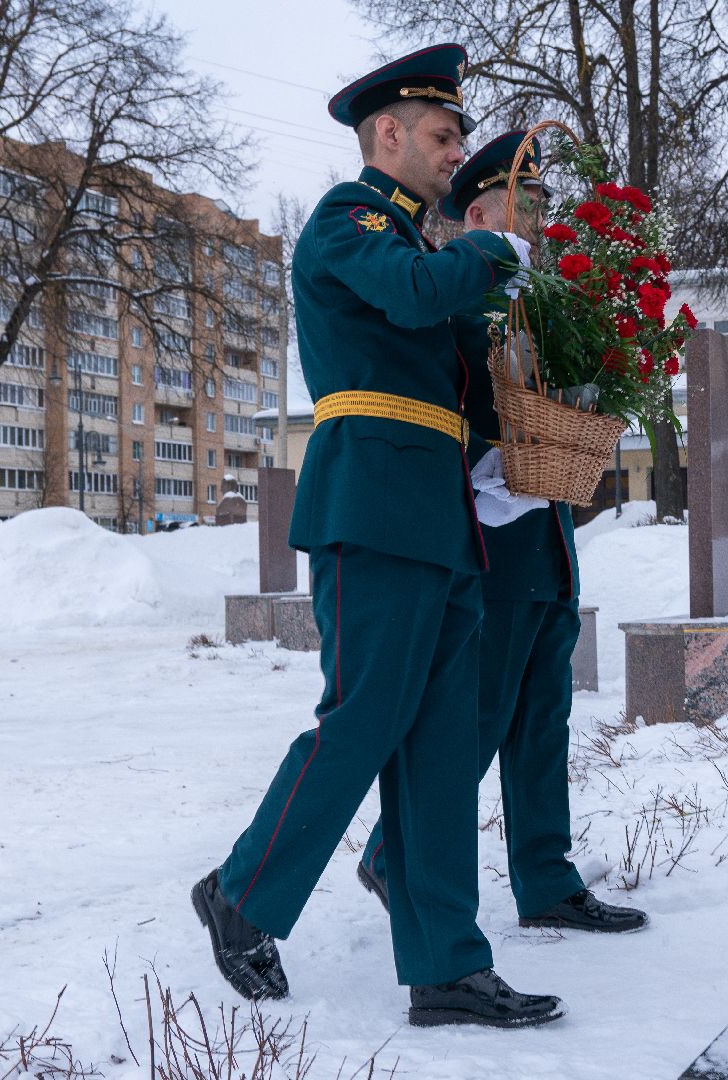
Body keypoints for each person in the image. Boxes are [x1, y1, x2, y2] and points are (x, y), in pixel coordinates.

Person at [189, 46, 564, 1029]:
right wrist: (490, 255)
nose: (453, 155)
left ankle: (445, 964)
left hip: (441, 516)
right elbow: (411, 293)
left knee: (440, 745)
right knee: (363, 716)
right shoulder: (346, 225)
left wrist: (536, 400)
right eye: (442, 138)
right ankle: (240, 892)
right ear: (386, 135)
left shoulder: (422, 249)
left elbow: (461, 374)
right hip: (371, 507)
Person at [355, 130, 648, 935]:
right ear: (477, 211)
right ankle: (391, 854)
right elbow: (452, 404)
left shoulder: (544, 303)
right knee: (475, 722)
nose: (539, 220)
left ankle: (546, 880)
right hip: (490, 539)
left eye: (545, 206)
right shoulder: (466, 296)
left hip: (546, 536)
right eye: (525, 204)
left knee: (540, 722)